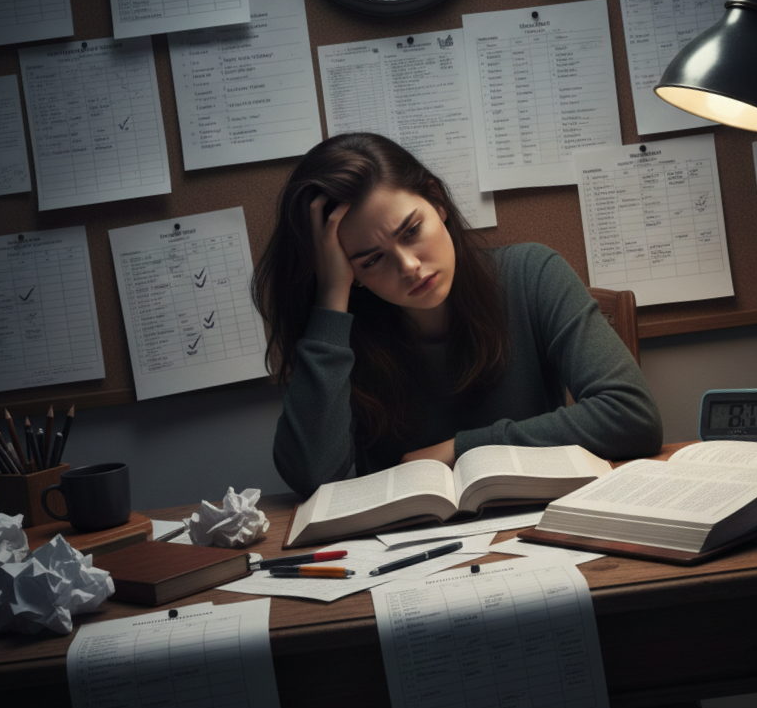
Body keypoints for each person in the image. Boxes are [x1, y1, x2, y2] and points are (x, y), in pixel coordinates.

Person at [252, 133, 663, 497]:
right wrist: (330, 299)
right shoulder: (342, 331)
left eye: (411, 231)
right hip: (402, 554)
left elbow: (632, 417)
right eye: (372, 259)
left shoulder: (530, 274)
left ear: (437, 201)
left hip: (540, 529)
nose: (409, 266)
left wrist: (460, 449)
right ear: (348, 271)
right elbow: (313, 478)